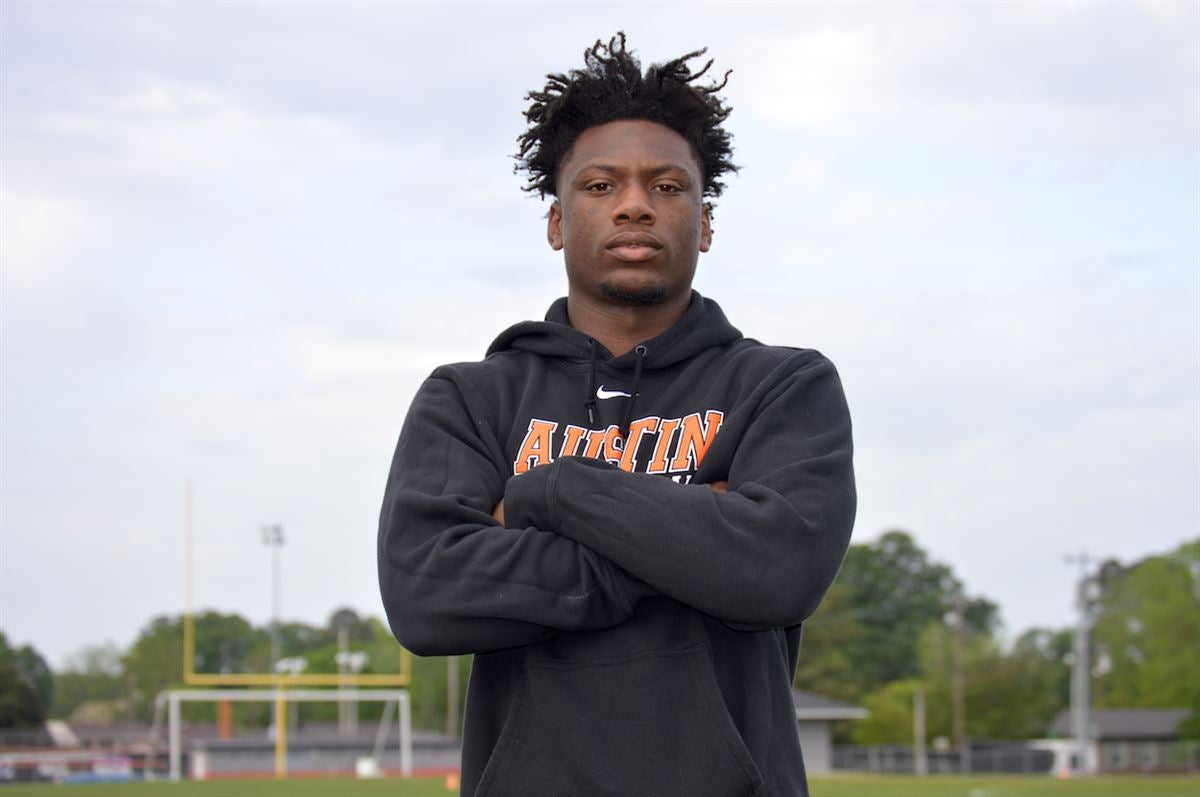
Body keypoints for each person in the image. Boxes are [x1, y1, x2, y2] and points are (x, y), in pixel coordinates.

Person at [378, 33, 855, 797]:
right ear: (557, 222)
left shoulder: (783, 384)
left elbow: (776, 572)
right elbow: (426, 596)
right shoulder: (470, 396)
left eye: (667, 186)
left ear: (705, 223)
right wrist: (694, 537)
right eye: (600, 185)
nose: (635, 204)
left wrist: (547, 493)